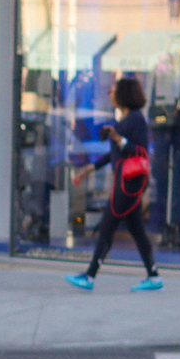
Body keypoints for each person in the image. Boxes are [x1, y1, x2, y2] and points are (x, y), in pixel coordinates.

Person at [67, 75, 163, 292]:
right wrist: (89, 169)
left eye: (114, 90)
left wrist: (119, 139)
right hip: (125, 183)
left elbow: (141, 152)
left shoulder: (136, 120)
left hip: (128, 184)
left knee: (107, 227)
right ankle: (154, 277)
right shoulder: (124, 121)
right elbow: (113, 155)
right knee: (137, 230)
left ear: (124, 95)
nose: (110, 93)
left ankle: (90, 276)